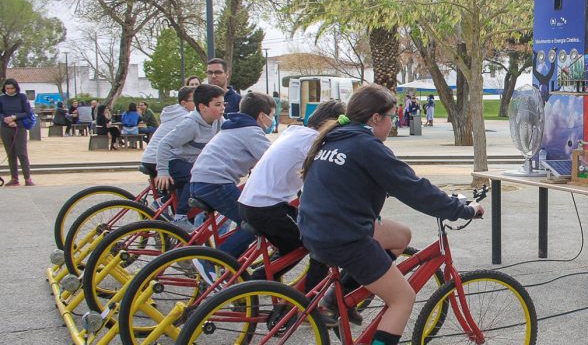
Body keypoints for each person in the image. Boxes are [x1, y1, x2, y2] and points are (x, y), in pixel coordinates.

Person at [298, 84, 483, 345]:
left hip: (316, 227)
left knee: (400, 235)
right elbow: (413, 190)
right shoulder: (366, 145)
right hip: (343, 236)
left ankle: (336, 298)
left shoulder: (337, 136)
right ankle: (347, 301)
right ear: (376, 118)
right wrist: (462, 210)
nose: (392, 124)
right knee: (403, 299)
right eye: (392, 118)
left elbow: (398, 180)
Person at [237, 101, 344, 289]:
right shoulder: (312, 142)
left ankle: (265, 279)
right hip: (267, 208)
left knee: (292, 244)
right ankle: (303, 301)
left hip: (251, 203)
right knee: (317, 244)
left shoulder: (295, 132)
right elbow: (322, 181)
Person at [190, 92, 275, 260]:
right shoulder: (251, 131)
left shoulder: (234, 126)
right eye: (272, 116)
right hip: (215, 183)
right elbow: (273, 158)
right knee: (254, 223)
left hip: (202, 180)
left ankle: (231, 264)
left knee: (243, 220)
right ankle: (216, 262)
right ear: (262, 116)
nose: (273, 120)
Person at [155, 84, 224, 226]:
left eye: (224, 104)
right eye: (217, 104)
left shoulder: (218, 121)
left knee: (208, 174)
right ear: (203, 107)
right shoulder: (190, 124)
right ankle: (179, 217)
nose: (222, 108)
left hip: (190, 163)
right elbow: (164, 144)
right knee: (196, 175)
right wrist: (162, 171)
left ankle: (164, 202)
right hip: (174, 161)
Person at [140, 87, 195, 182]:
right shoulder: (184, 117)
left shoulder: (175, 113)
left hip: (150, 157)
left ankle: (168, 196)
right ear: (183, 103)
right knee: (194, 175)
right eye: (195, 100)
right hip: (158, 159)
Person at [0, 78, 32, 186]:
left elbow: (27, 112)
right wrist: (6, 119)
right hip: (6, 127)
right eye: (7, 88)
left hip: (19, 127)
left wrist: (14, 117)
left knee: (21, 153)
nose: (9, 90)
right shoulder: (1, 98)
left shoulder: (22, 97)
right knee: (11, 154)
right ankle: (14, 178)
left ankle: (27, 178)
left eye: (12, 88)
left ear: (16, 88)